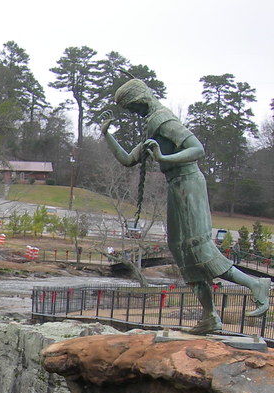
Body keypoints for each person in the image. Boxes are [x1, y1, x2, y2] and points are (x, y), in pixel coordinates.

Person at [101, 78, 270, 334]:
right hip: (176, 185)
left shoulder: (163, 119)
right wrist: (106, 135)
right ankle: (210, 316)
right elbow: (128, 159)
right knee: (181, 249)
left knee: (198, 246)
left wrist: (164, 157)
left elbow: (197, 149)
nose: (133, 113)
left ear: (141, 99)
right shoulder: (151, 124)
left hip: (189, 183)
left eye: (132, 107)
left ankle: (255, 284)